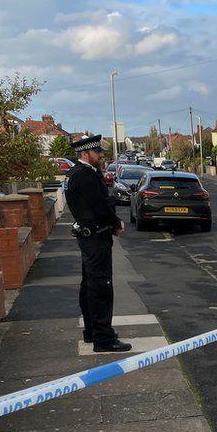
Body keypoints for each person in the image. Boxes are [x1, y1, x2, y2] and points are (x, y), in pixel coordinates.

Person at [64, 135, 132, 353]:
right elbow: (100, 206)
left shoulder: (76, 173)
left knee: (89, 286)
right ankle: (103, 338)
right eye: (97, 153)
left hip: (88, 237)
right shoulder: (85, 175)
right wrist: (116, 223)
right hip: (95, 237)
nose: (101, 156)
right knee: (101, 287)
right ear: (85, 154)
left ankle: (93, 331)